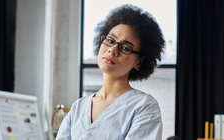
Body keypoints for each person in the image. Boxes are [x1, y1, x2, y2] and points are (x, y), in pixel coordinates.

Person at [56, 4, 165, 140]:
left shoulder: (144, 106)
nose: (112, 49)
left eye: (125, 47)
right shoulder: (78, 107)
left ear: (139, 61)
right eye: (110, 40)